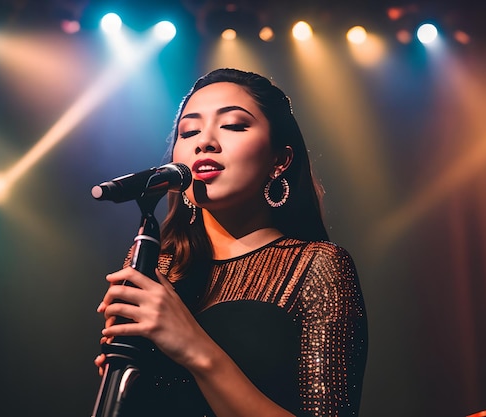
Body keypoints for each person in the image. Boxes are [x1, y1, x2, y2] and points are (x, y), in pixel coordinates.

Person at [95, 68, 368, 417]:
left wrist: (194, 348)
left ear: (280, 160)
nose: (204, 141)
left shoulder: (317, 266)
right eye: (189, 131)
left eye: (234, 125)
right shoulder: (156, 263)